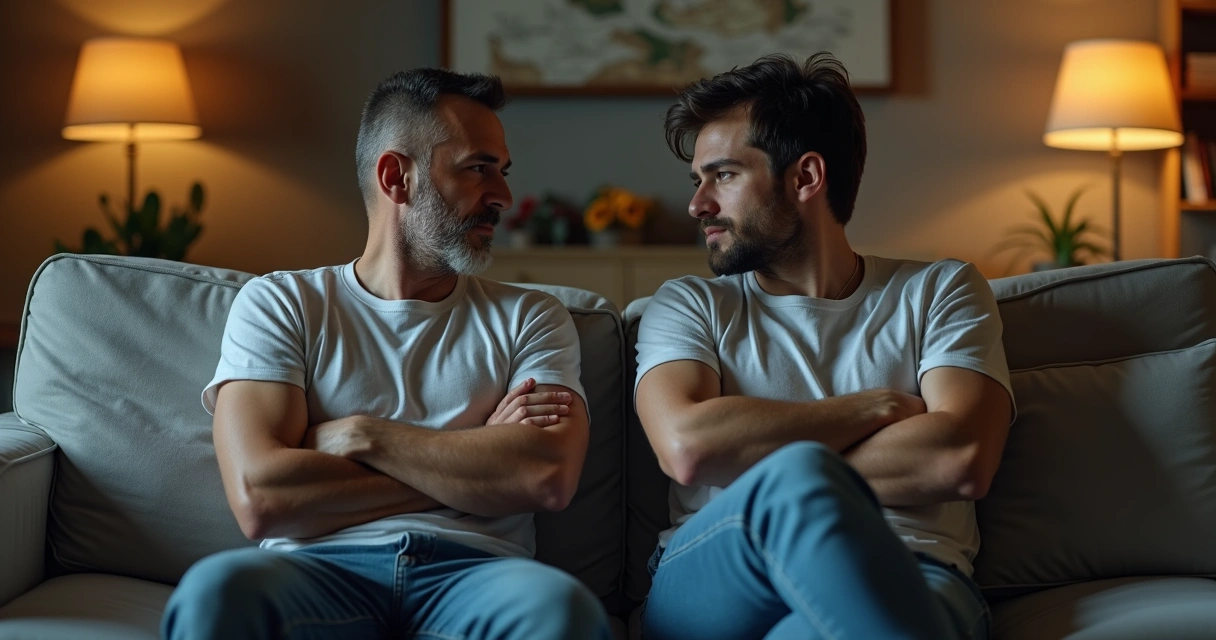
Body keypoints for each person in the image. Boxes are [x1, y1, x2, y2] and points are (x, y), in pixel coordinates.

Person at [162, 68, 610, 640]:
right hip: (312, 571)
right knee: (214, 594)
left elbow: (546, 477)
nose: (503, 196)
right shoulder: (282, 303)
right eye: (479, 168)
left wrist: (363, 436)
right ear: (397, 177)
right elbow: (261, 497)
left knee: (562, 612)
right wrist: (475, 457)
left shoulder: (532, 316)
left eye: (502, 170)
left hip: (479, 574)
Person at [634, 53, 1015, 640]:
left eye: (725, 175)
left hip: (915, 569)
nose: (698, 204)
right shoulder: (690, 305)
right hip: (722, 570)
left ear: (806, 178)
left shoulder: (939, 289)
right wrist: (875, 409)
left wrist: (775, 474)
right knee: (796, 485)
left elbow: (958, 458)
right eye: (698, 180)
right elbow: (688, 447)